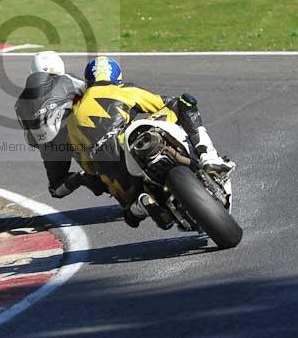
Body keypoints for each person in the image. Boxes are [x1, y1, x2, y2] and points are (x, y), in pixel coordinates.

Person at [67, 56, 235, 228]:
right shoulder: (123, 90)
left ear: (88, 82)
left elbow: (87, 166)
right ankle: (209, 157)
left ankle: (141, 205)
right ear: (117, 78)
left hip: (115, 176)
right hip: (131, 144)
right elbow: (165, 102)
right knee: (182, 102)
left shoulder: (72, 119)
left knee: (129, 214)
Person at [15, 51, 107, 199]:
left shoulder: (20, 102)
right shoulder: (68, 79)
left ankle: (82, 178)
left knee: (56, 189)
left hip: (50, 145)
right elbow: (93, 93)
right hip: (77, 131)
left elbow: (30, 139)